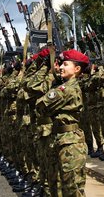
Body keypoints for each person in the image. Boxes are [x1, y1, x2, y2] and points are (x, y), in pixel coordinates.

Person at [36, 49, 89, 196]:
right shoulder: (64, 87)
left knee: (72, 190)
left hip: (70, 145)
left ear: (77, 69)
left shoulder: (67, 89)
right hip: (60, 140)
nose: (60, 67)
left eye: (65, 64)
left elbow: (41, 104)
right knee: (56, 188)